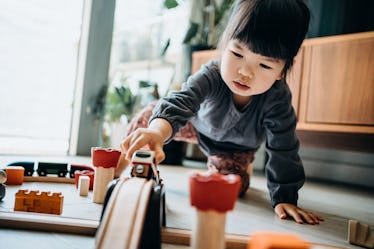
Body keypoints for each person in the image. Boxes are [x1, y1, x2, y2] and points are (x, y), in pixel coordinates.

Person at [120, 0, 324, 225]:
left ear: (282, 71)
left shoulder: (277, 99)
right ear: (225, 44)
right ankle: (118, 162)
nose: (245, 72)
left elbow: (283, 148)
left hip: (234, 148)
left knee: (232, 187)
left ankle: (233, 166)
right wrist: (157, 132)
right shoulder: (212, 74)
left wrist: (285, 198)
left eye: (264, 66)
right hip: (195, 125)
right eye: (237, 54)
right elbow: (181, 102)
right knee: (149, 119)